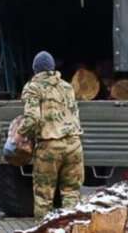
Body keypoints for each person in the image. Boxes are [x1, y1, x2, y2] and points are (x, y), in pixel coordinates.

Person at [16, 51, 84, 218]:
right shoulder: (67, 87)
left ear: (35, 70)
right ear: (53, 68)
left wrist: (20, 134)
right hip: (74, 144)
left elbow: (32, 119)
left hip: (50, 147)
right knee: (71, 194)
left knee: (44, 197)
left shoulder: (33, 88)